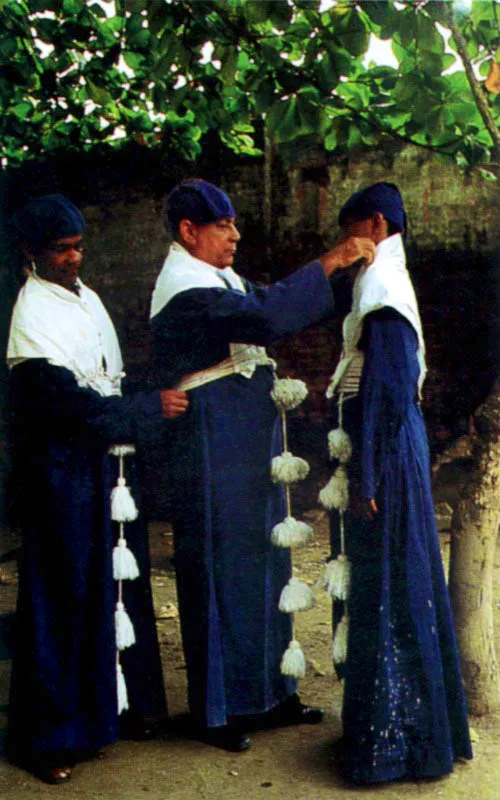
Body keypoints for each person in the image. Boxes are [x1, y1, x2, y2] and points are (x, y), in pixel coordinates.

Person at [149, 178, 376, 752]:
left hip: (247, 435)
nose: (235, 233)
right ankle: (219, 709)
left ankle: (272, 692)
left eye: (233, 223)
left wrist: (342, 275)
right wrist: (333, 258)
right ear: (188, 232)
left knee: (265, 560)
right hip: (211, 437)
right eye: (223, 225)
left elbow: (275, 299)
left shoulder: (221, 278)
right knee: (223, 562)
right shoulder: (183, 287)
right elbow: (267, 316)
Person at [5, 194, 189, 784]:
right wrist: (141, 411)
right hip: (61, 473)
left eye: (79, 245)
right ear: (33, 253)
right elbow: (67, 403)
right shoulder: (31, 314)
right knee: (62, 597)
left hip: (106, 468)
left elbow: (107, 378)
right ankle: (48, 739)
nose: (74, 257)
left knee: (116, 583)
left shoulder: (86, 298)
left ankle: (116, 709)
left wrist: (132, 413)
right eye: (61, 248)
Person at [325, 182, 473, 783]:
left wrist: (367, 474)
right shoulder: (380, 281)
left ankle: (397, 747)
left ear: (377, 225)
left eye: (350, 231)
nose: (344, 245)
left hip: (386, 444)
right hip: (389, 440)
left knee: (391, 580)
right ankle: (401, 737)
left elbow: (386, 390)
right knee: (393, 577)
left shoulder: (383, 288)